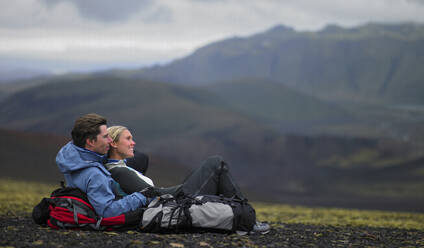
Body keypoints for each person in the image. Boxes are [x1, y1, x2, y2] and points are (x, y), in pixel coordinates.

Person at [105, 125, 270, 233]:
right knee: (215, 163)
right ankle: (248, 219)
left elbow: (141, 158)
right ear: (113, 143)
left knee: (212, 169)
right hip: (171, 204)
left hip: (169, 201)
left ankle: (240, 217)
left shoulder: (123, 166)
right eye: (128, 139)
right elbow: (151, 194)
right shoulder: (119, 171)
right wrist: (181, 189)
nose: (133, 142)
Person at [55, 113, 148, 218]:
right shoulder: (96, 176)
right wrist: (141, 197)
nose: (110, 140)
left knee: (141, 158)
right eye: (105, 137)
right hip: (109, 200)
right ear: (90, 142)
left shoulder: (71, 153)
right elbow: (107, 211)